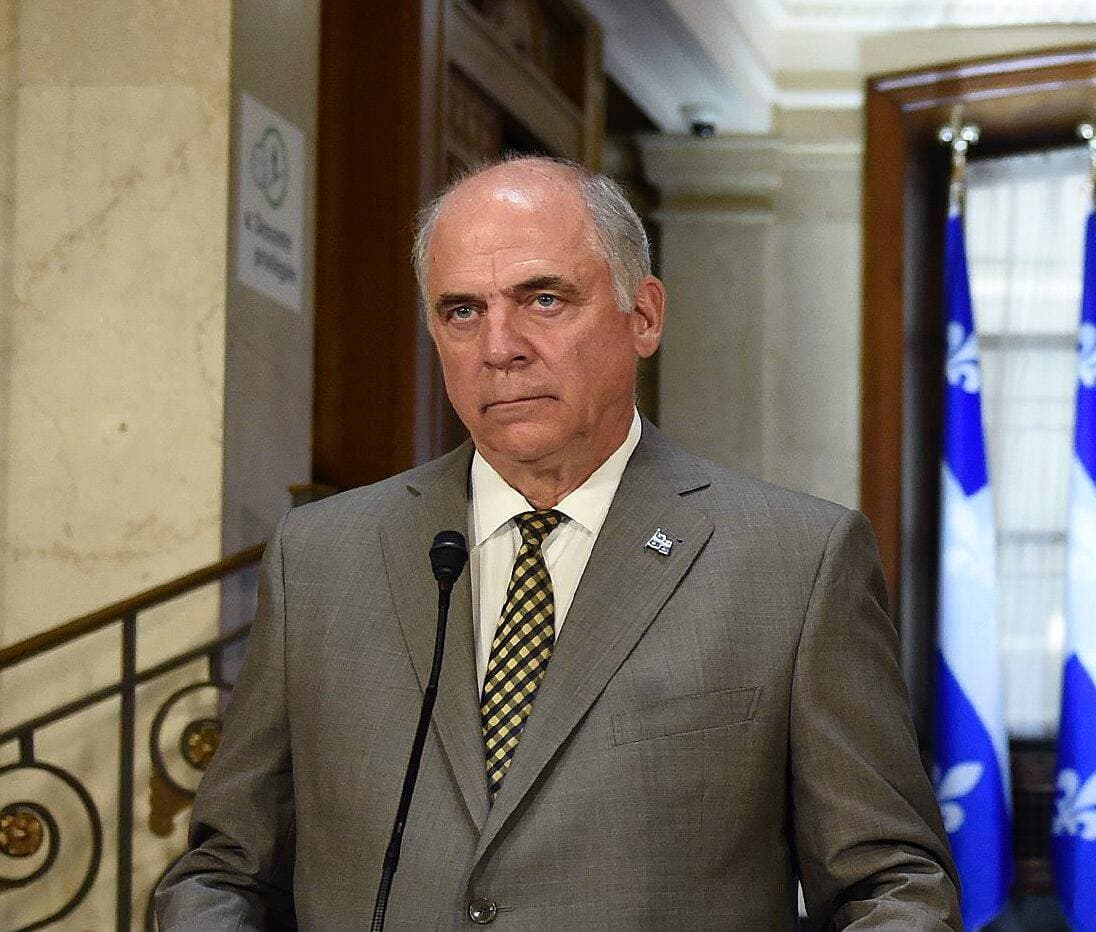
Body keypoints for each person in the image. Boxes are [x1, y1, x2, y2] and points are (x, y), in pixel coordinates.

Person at [156, 156, 960, 929]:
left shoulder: (795, 563)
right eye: (462, 311)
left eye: (543, 299)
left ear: (643, 316)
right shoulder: (319, 559)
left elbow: (893, 886)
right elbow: (225, 872)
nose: (499, 347)